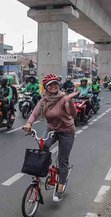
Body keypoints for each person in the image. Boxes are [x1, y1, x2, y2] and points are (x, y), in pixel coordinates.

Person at [23, 73, 78, 202]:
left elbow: (73, 114)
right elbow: (35, 112)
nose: (53, 86)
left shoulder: (64, 98)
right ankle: (45, 169)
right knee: (43, 147)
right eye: (50, 85)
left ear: (58, 85)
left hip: (66, 131)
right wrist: (29, 123)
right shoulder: (44, 100)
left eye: (55, 84)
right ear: (45, 87)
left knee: (63, 160)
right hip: (52, 129)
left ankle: (60, 189)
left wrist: (70, 101)